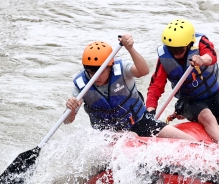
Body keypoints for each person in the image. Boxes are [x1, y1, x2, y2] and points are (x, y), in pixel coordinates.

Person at [65, 35, 196, 141]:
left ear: (110, 66)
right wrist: (70, 109)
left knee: (186, 139)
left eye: (100, 71)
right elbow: (67, 121)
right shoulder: (81, 85)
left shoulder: (122, 69)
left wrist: (130, 48)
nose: (95, 76)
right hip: (108, 134)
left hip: (139, 121)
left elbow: (143, 71)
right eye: (91, 72)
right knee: (131, 137)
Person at [145, 19, 219, 145]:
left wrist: (202, 59)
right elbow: (155, 86)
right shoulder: (164, 58)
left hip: (215, 93)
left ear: (189, 44)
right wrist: (150, 112)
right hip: (190, 101)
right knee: (207, 117)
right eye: (172, 50)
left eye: (179, 49)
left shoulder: (201, 42)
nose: (176, 54)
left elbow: (212, 55)